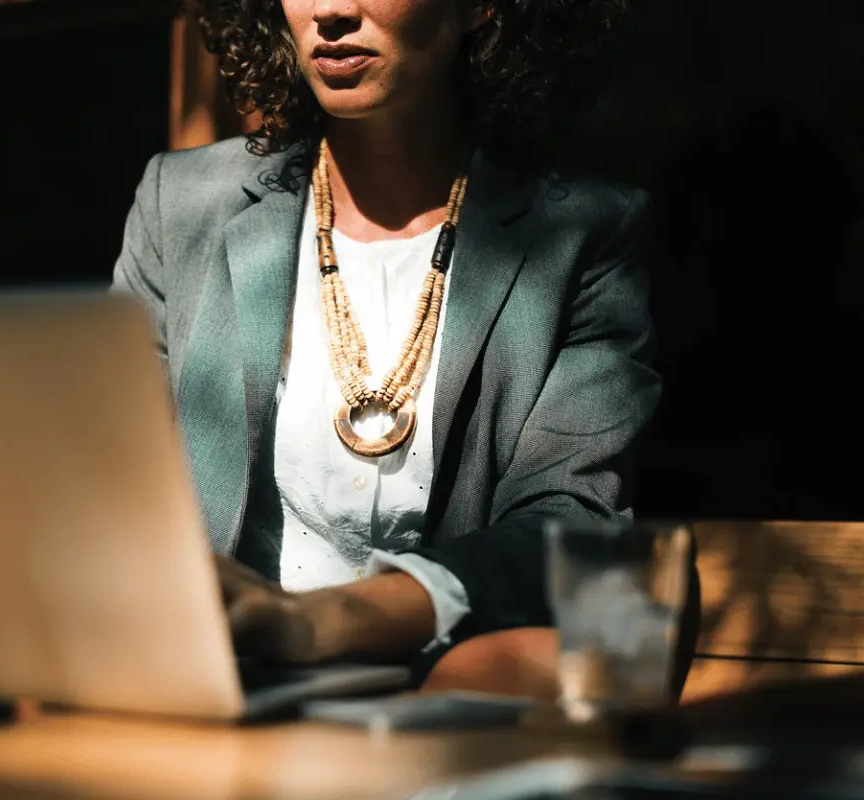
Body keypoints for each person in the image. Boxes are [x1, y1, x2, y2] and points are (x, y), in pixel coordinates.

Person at [113, 0, 699, 698]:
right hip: (224, 683)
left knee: (637, 600)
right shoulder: (182, 203)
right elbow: (115, 481)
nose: (329, 10)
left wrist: (319, 622)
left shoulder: (585, 233)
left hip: (450, 683)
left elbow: (570, 518)